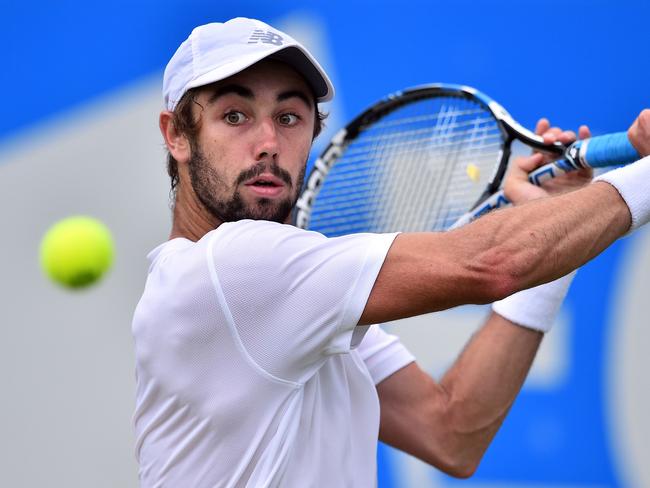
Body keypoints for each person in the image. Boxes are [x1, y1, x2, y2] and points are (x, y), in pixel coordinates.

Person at [131, 17, 650, 487]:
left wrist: (551, 224)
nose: (268, 141)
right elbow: (493, 264)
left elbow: (451, 432)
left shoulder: (296, 303)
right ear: (177, 133)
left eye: (289, 117)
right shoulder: (230, 269)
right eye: (236, 115)